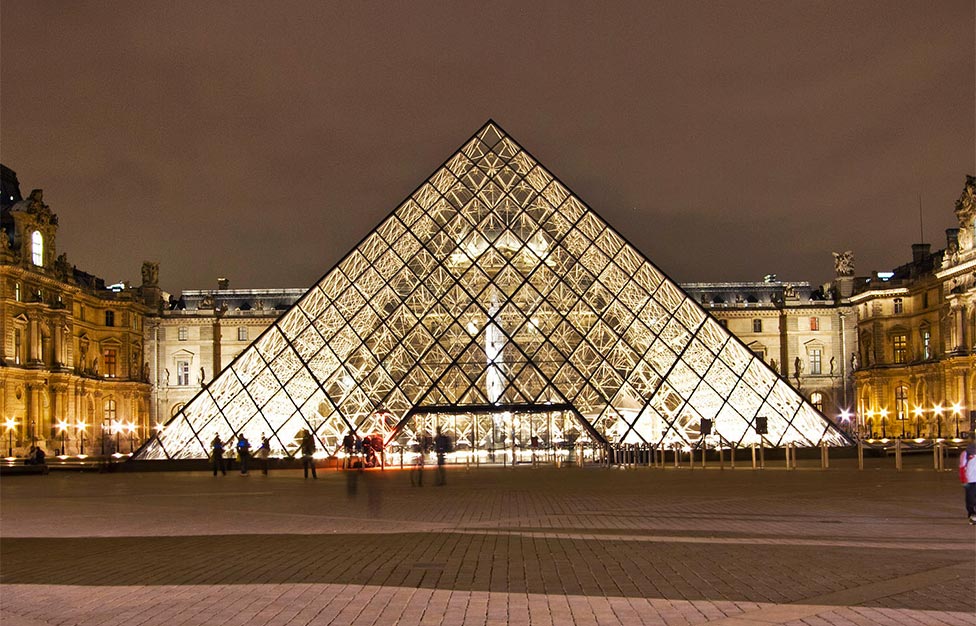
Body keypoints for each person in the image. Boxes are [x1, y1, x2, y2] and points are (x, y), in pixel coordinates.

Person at [960, 443, 976, 525]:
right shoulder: (966, 453)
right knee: (970, 499)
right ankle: (971, 513)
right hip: (970, 480)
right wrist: (963, 479)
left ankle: (973, 516)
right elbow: (962, 467)